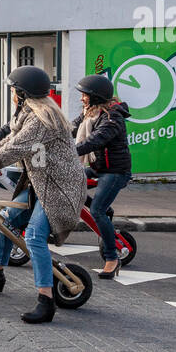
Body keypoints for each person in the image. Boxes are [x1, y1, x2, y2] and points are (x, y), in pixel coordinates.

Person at [0, 66, 86, 324]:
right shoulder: (28, 114)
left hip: (59, 188)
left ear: (21, 93)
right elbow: (9, 140)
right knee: (6, 221)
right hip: (40, 185)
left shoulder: (42, 120)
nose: (11, 93)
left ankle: (46, 300)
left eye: (12, 89)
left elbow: (18, 148)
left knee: (33, 237)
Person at [72, 74, 131, 279]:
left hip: (115, 172)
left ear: (95, 97)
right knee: (70, 181)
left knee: (97, 210)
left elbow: (94, 142)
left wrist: (67, 152)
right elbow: (70, 128)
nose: (82, 99)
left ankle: (112, 258)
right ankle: (106, 209)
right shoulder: (90, 113)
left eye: (85, 95)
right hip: (99, 167)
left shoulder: (112, 118)